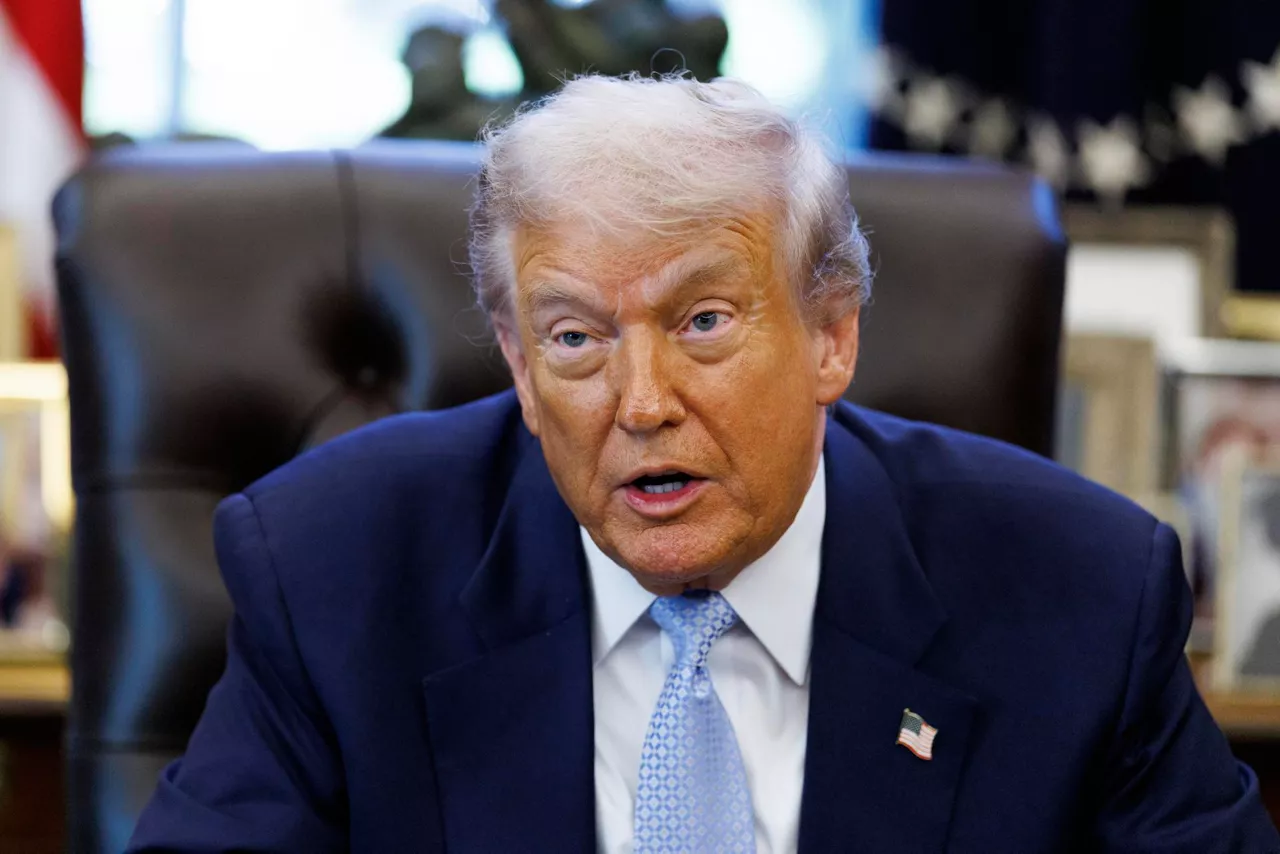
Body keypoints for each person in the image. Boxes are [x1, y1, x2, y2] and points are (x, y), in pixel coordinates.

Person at [127, 74, 1278, 853]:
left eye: (702, 321)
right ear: (521, 370)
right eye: (574, 338)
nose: (639, 403)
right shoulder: (332, 570)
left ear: (831, 333)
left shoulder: (1076, 590)